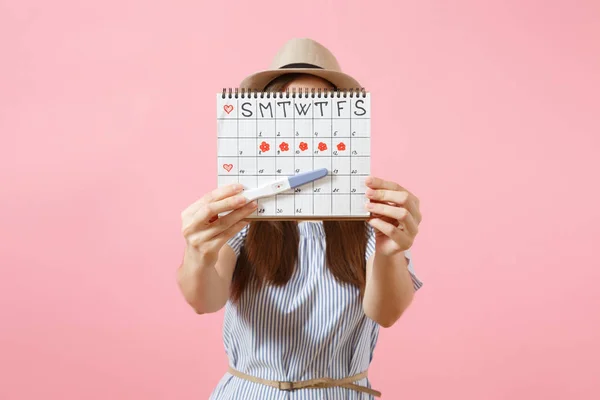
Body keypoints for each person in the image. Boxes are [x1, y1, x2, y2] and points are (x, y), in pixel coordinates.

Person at [178, 38, 423, 399]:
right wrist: (198, 252)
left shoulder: (371, 217)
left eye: (323, 111)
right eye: (289, 111)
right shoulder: (246, 215)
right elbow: (205, 301)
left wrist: (388, 253)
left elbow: (386, 313)